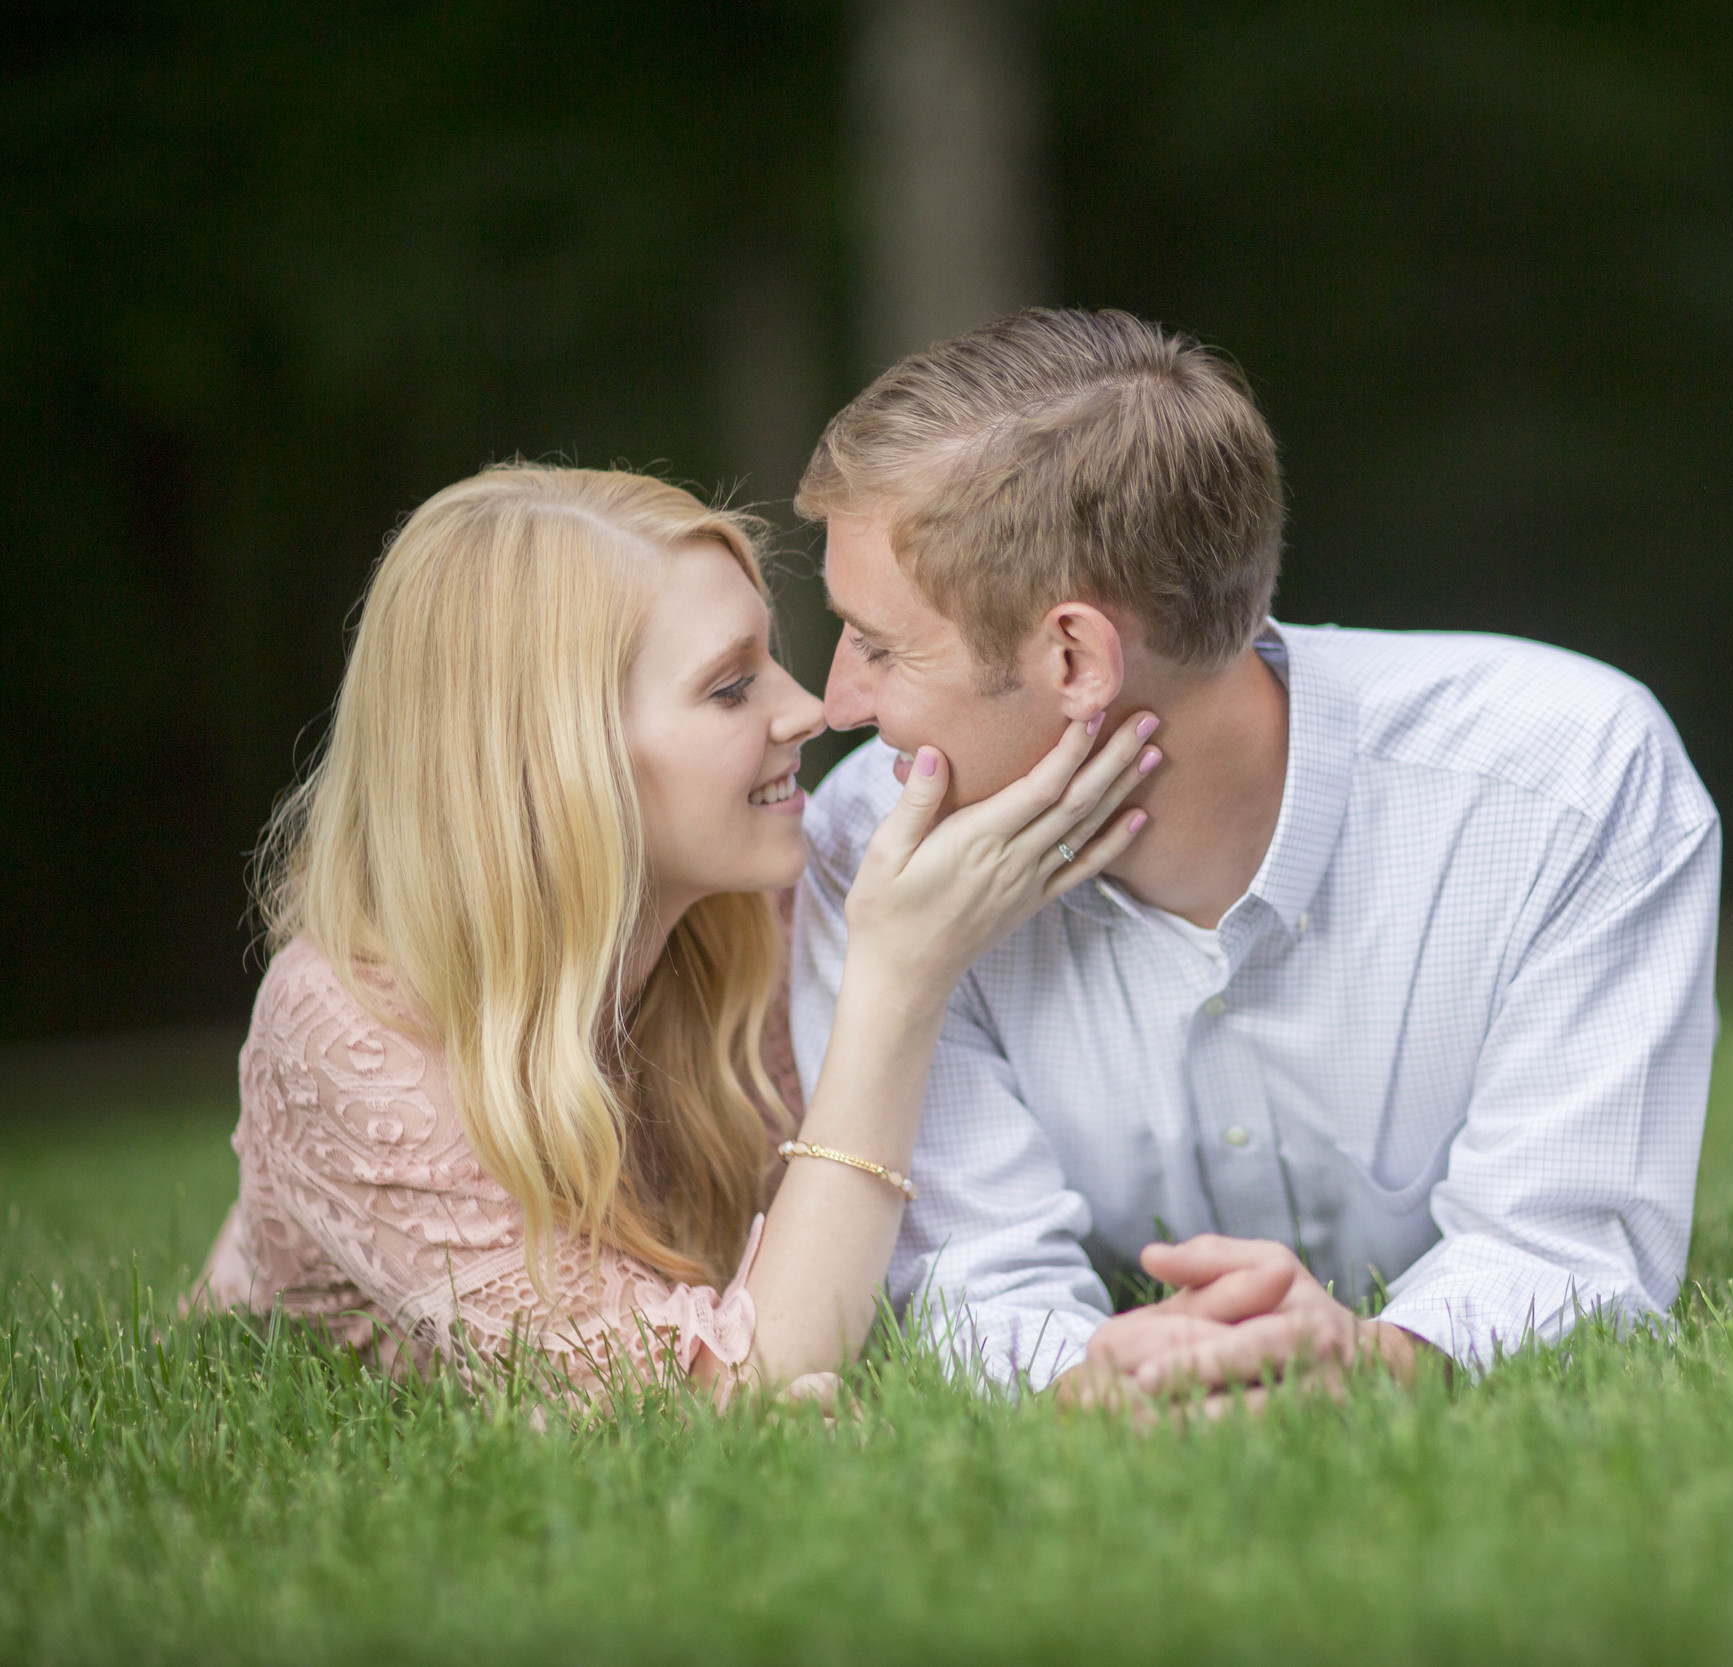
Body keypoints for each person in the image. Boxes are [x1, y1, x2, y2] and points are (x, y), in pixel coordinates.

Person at [789, 309, 1722, 1405]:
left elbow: (1570, 1241)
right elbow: (976, 1273)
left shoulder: (1568, 779)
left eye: (883, 647)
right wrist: (1099, 1390)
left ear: (1074, 655)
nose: (837, 700)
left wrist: (1378, 1361)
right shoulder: (873, 841)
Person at [186, 464, 1164, 1403]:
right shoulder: (349, 1022)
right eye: (732, 687)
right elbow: (726, 1388)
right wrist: (897, 983)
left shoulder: (768, 904)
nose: (810, 708)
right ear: (557, 762)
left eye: (771, 657)